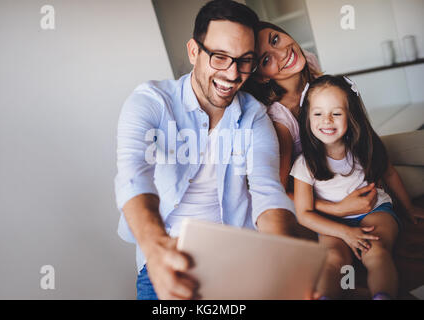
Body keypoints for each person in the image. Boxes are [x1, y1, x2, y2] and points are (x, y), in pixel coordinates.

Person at [114, 0, 296, 300]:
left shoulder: (254, 115)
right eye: (221, 57)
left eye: (245, 60)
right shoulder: (152, 101)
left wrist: (282, 262)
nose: (233, 74)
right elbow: (133, 177)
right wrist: (156, 248)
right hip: (167, 253)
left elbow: (267, 190)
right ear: (194, 51)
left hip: (238, 254)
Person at [291, 75, 424, 299]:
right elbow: (304, 214)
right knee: (335, 259)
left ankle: (382, 295)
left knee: (375, 252)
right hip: (333, 224)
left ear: (350, 115)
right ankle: (336, 294)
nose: (327, 120)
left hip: (374, 211)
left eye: (336, 113)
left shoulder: (366, 146)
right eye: (318, 113)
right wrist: (345, 232)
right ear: (307, 118)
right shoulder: (304, 164)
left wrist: (408, 207)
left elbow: (389, 173)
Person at [243, 21, 380, 223]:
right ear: (262, 78)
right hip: (326, 193)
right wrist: (337, 208)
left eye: (275, 39)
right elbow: (278, 191)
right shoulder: (281, 122)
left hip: (350, 167)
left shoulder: (308, 62)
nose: (282, 53)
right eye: (266, 60)